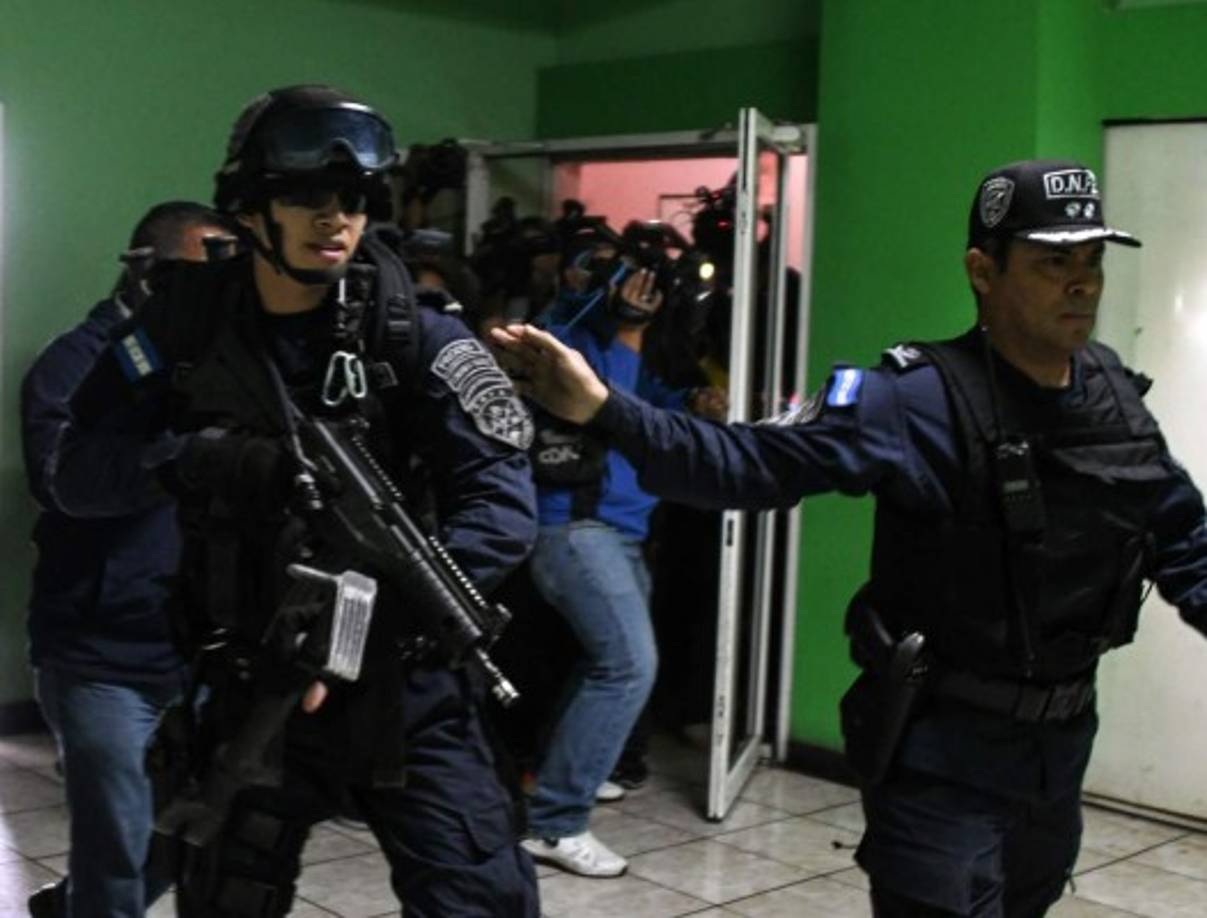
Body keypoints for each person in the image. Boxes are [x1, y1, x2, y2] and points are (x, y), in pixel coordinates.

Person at [491, 159, 1207, 917]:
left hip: (1056, 758)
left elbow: (1184, 539)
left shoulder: (1111, 396)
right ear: (981, 271)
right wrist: (607, 409)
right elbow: (744, 465)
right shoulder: (910, 401)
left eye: (1092, 260)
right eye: (1052, 261)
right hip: (941, 760)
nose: (1081, 283)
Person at [57, 85, 540, 917]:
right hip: (250, 681)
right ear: (249, 208)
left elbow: (501, 506)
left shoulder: (414, 334)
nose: (336, 219)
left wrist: (363, 623)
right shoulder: (180, 324)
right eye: (307, 197)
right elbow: (77, 472)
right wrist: (195, 459)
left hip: (403, 686)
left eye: (353, 200)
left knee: (479, 901)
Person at [22, 201, 233, 918]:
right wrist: (184, 451)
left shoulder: (222, 363)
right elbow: (62, 483)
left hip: (197, 644)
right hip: (100, 651)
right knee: (116, 847)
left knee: (189, 836)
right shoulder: (77, 363)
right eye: (208, 269)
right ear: (150, 273)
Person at [520, 243, 724, 877]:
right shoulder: (571, 339)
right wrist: (605, 302)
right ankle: (555, 822)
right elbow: (567, 345)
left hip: (623, 533)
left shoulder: (643, 355)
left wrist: (696, 403)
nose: (638, 288)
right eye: (620, 277)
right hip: (574, 529)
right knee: (629, 665)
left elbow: (650, 415)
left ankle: (563, 775)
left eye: (646, 283)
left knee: (605, 662)